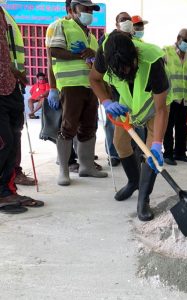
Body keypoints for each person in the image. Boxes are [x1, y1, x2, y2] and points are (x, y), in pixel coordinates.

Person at [90, 31, 169, 221]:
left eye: (128, 68)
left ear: (135, 56)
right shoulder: (105, 53)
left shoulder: (153, 60)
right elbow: (94, 78)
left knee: (150, 153)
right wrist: (107, 101)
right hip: (127, 107)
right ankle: (134, 181)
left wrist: (157, 144)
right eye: (119, 72)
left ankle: (144, 199)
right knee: (120, 143)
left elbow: (161, 110)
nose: (125, 74)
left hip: (153, 107)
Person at [46, 0, 107, 186]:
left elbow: (96, 61)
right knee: (68, 127)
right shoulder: (60, 25)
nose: (88, 12)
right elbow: (54, 51)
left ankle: (86, 166)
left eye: (91, 10)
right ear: (72, 10)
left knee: (89, 126)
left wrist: (93, 55)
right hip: (70, 85)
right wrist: (53, 88)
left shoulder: (91, 36)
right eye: (85, 9)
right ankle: (64, 170)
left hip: (90, 86)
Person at [1, 5, 44, 214]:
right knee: (4, 141)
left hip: (11, 84)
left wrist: (14, 72)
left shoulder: (5, 14)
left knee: (12, 138)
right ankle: (3, 193)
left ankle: (8, 189)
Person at [99, 11, 134, 167]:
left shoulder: (134, 40)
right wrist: (106, 100)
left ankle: (133, 152)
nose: (126, 22)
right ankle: (113, 154)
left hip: (130, 92)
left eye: (128, 19)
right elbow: (97, 73)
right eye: (122, 19)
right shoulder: (106, 41)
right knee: (112, 123)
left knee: (134, 123)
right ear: (117, 23)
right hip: (113, 90)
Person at [162, 29, 187, 165]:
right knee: (168, 127)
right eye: (185, 40)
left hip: (184, 98)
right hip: (170, 97)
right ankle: (168, 154)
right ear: (178, 38)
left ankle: (180, 153)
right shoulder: (166, 51)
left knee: (182, 127)